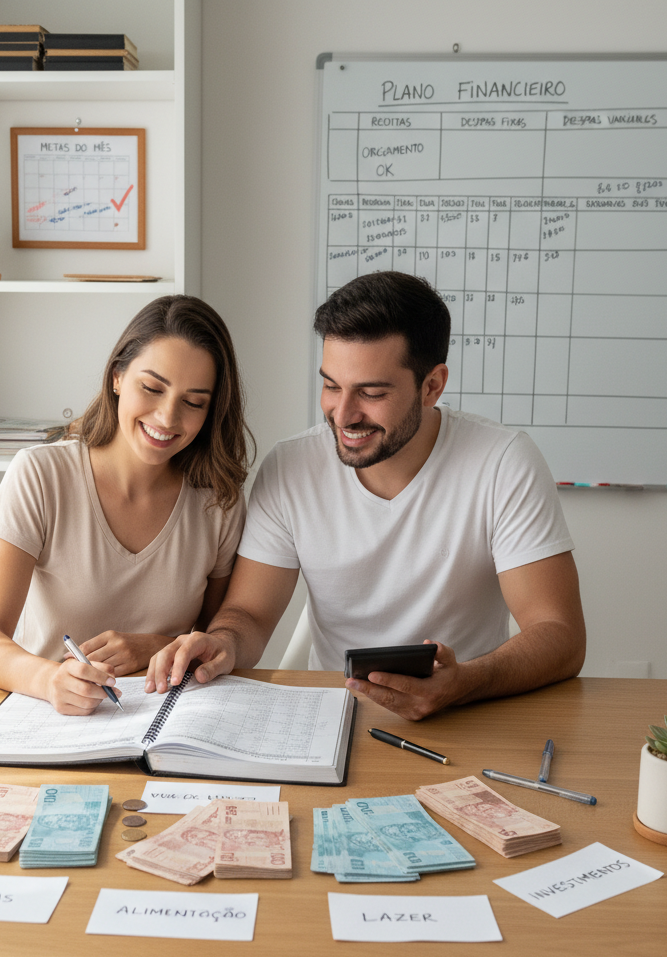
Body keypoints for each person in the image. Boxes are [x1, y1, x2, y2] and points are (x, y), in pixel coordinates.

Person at [146, 271, 585, 721]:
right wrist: (223, 641)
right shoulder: (290, 468)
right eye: (331, 385)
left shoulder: (503, 462)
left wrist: (465, 683)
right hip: (338, 718)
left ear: (432, 385)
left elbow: (560, 634)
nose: (344, 414)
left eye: (371, 392)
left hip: (470, 713)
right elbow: (249, 614)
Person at [0, 295, 253, 715]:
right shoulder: (40, 475)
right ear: (117, 377)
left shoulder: (218, 502)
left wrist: (156, 647)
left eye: (194, 402)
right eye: (152, 388)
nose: (168, 417)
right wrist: (48, 680)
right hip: (47, 713)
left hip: (166, 721)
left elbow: (212, 642)